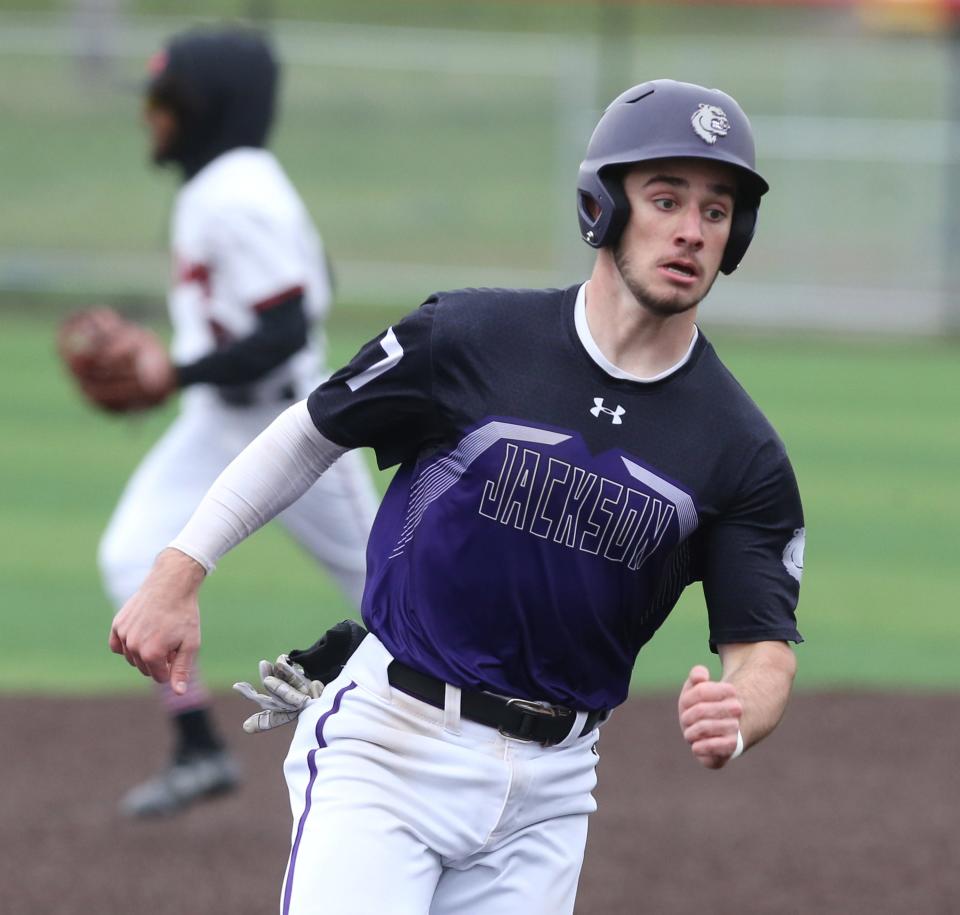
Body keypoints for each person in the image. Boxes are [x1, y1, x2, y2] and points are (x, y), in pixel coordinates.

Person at [109, 78, 805, 911]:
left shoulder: (740, 449)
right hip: (392, 747)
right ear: (603, 207)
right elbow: (311, 431)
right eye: (665, 198)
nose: (691, 230)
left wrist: (741, 711)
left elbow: (762, 645)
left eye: (717, 211)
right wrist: (179, 570)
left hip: (552, 794)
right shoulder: (471, 337)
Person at [97, 26, 379, 817]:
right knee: (133, 557)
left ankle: (477, 721)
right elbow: (308, 278)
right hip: (215, 421)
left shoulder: (238, 190)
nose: (152, 116)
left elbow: (287, 329)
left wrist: (172, 369)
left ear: (209, 108)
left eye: (166, 100)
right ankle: (197, 748)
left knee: (399, 583)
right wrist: (177, 367)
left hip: (295, 429)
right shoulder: (223, 185)